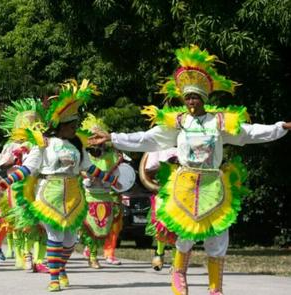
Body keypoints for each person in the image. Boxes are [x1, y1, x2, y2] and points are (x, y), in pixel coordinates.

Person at [88, 45, 291, 295]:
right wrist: (112, 138)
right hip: (185, 184)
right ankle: (179, 275)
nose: (191, 102)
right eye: (187, 98)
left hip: (213, 186)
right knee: (184, 235)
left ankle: (215, 288)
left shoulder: (219, 122)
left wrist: (281, 126)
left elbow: (249, 133)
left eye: (195, 97)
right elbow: (146, 139)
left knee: (217, 236)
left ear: (204, 98)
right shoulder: (178, 123)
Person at [0, 79, 119, 291]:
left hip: (73, 195)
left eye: (75, 126)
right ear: (61, 126)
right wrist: (8, 180)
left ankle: (60, 268)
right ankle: (54, 278)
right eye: (71, 126)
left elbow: (89, 168)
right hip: (49, 194)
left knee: (71, 240)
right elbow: (29, 168)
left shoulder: (77, 146)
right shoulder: (43, 144)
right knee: (55, 236)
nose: (74, 129)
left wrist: (111, 179)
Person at [0, 98, 48, 272]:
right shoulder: (11, 145)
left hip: (39, 187)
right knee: (22, 224)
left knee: (42, 223)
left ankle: (39, 259)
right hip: (17, 188)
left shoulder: (43, 144)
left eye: (35, 123)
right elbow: (2, 164)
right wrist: (15, 157)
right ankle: (23, 255)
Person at [79, 114, 126, 269]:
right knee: (90, 229)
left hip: (105, 197)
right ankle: (93, 257)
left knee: (102, 229)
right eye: (91, 137)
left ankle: (96, 253)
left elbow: (115, 177)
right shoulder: (83, 155)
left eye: (96, 137)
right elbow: (80, 171)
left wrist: (110, 178)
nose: (94, 141)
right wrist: (87, 176)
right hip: (88, 196)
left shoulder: (111, 157)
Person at [143, 148, 178, 271]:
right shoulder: (158, 145)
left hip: (183, 193)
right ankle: (159, 253)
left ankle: (176, 262)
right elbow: (148, 171)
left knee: (178, 229)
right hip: (163, 192)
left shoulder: (187, 140)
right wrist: (164, 166)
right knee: (161, 226)